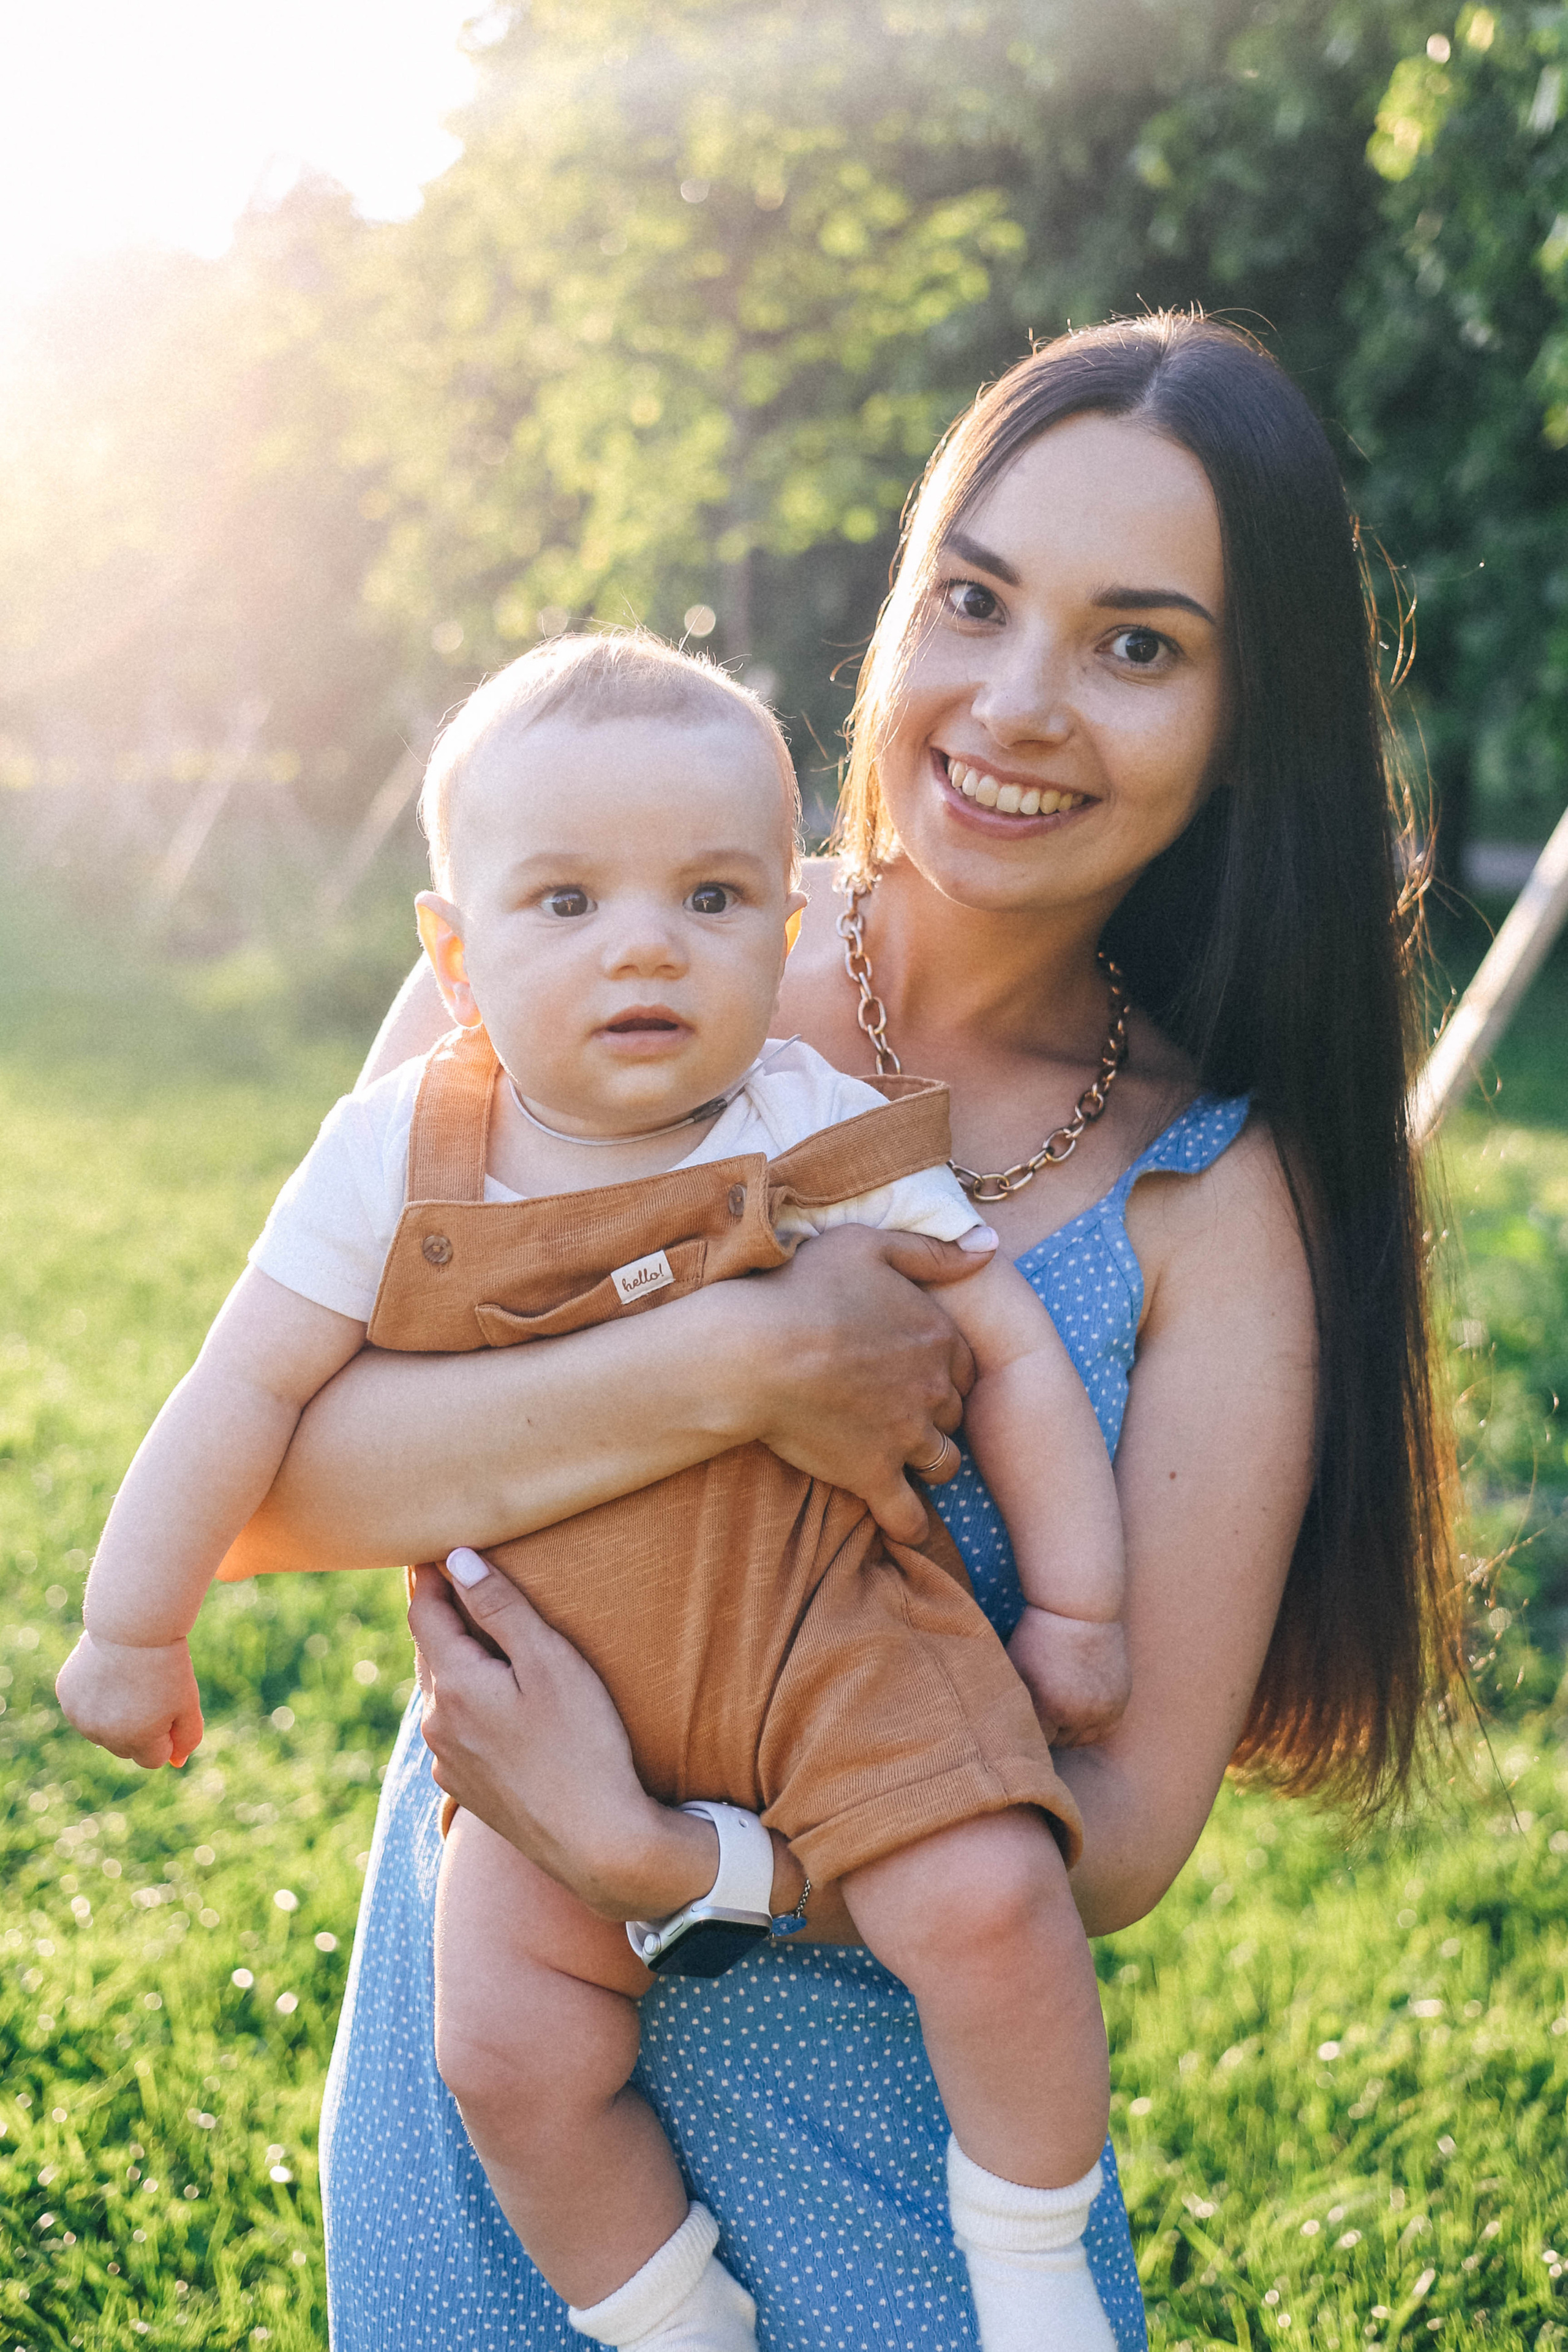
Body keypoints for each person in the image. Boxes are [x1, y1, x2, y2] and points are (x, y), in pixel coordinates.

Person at [227, 312, 1460, 2352]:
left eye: (1137, 646)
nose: (1018, 705)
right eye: (973, 602)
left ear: (1256, 727)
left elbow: (1126, 1838)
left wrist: (679, 1858)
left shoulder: (1215, 1199)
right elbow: (271, 1487)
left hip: (918, 2153)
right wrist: (735, 1368)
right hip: (503, 2076)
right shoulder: (584, 942)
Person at [58, 624, 1131, 2352]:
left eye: (711, 901)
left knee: (991, 1905)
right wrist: (133, 1626)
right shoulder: (406, 1150)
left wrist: (1079, 1608)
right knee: (501, 2043)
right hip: (553, 1696)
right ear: (457, 953)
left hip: (830, 1657)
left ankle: (1029, 2255)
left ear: (783, 933)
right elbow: (249, 1382)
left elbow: (997, 1346)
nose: (646, 944)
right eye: (566, 903)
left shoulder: (803, 1121)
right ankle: (661, 2314)